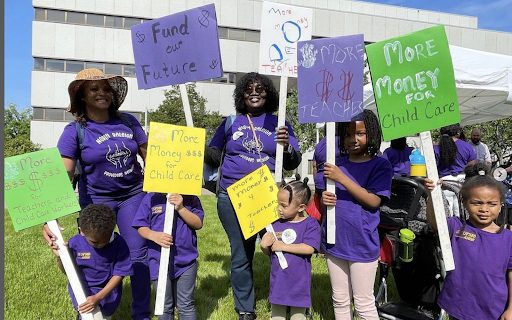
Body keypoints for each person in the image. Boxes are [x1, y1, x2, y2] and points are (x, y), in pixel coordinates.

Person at [43, 68, 152, 320]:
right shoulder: (75, 131)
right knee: (94, 254)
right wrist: (50, 218)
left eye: (106, 88)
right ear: (82, 95)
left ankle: (142, 314)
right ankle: (94, 307)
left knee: (138, 255)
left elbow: (151, 158)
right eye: (94, 89)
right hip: (95, 200)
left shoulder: (129, 122)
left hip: (132, 196)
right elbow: (64, 175)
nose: (102, 93)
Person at [204, 72, 302, 320]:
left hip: (266, 196)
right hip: (231, 196)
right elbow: (214, 155)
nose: (254, 92)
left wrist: (287, 145)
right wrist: (197, 148)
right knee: (240, 255)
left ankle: (288, 302)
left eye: (260, 88)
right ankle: (245, 309)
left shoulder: (279, 123)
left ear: (268, 93)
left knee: (281, 248)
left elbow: (293, 162)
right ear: (242, 95)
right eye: (248, 89)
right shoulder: (230, 122)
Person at [321, 109, 393, 320]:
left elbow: (373, 200)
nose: (353, 139)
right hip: (335, 241)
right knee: (340, 300)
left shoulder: (380, 164)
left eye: (360, 133)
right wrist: (326, 198)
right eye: (347, 134)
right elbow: (329, 196)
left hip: (362, 243)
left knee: (363, 304)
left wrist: (341, 178)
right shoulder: (336, 164)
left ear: (372, 134)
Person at [424, 175, 512, 320]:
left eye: (492, 204)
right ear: (464, 203)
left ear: (501, 204)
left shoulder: (508, 237)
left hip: (493, 309)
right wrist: (433, 194)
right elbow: (435, 221)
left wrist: (511, 309)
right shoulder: (456, 227)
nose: (484, 209)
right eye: (477, 203)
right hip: (459, 305)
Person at [52, 204, 132, 320]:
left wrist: (98, 297)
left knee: (103, 316)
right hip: (81, 289)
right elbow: (67, 271)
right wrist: (61, 257)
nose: (101, 245)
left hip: (107, 293)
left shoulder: (119, 243)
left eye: (106, 239)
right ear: (81, 231)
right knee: (86, 316)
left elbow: (120, 273)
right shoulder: (74, 243)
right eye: (95, 242)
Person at [132, 192, 204, 320]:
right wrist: (153, 235)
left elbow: (198, 223)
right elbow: (141, 226)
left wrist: (181, 208)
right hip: (158, 262)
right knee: (164, 306)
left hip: (186, 262)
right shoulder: (151, 198)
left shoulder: (190, 198)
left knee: (186, 305)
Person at [260, 178, 321, 320]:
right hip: (279, 281)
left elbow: (309, 248)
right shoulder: (275, 224)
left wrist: (283, 246)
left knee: (298, 316)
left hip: (299, 282)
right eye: (278, 204)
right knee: (277, 316)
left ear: (301, 207)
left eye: (284, 206)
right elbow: (271, 251)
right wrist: (264, 246)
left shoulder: (310, 224)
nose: (279, 208)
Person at [434, 123, 477, 217]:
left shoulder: (435, 147)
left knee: (446, 216)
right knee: (462, 215)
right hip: (462, 183)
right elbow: (472, 166)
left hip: (443, 183)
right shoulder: (466, 146)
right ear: (458, 132)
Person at [310, 130, 343, 222]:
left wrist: (317, 183)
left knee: (324, 218)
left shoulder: (320, 144)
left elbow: (314, 166)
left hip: (320, 185)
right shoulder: (343, 142)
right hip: (337, 184)